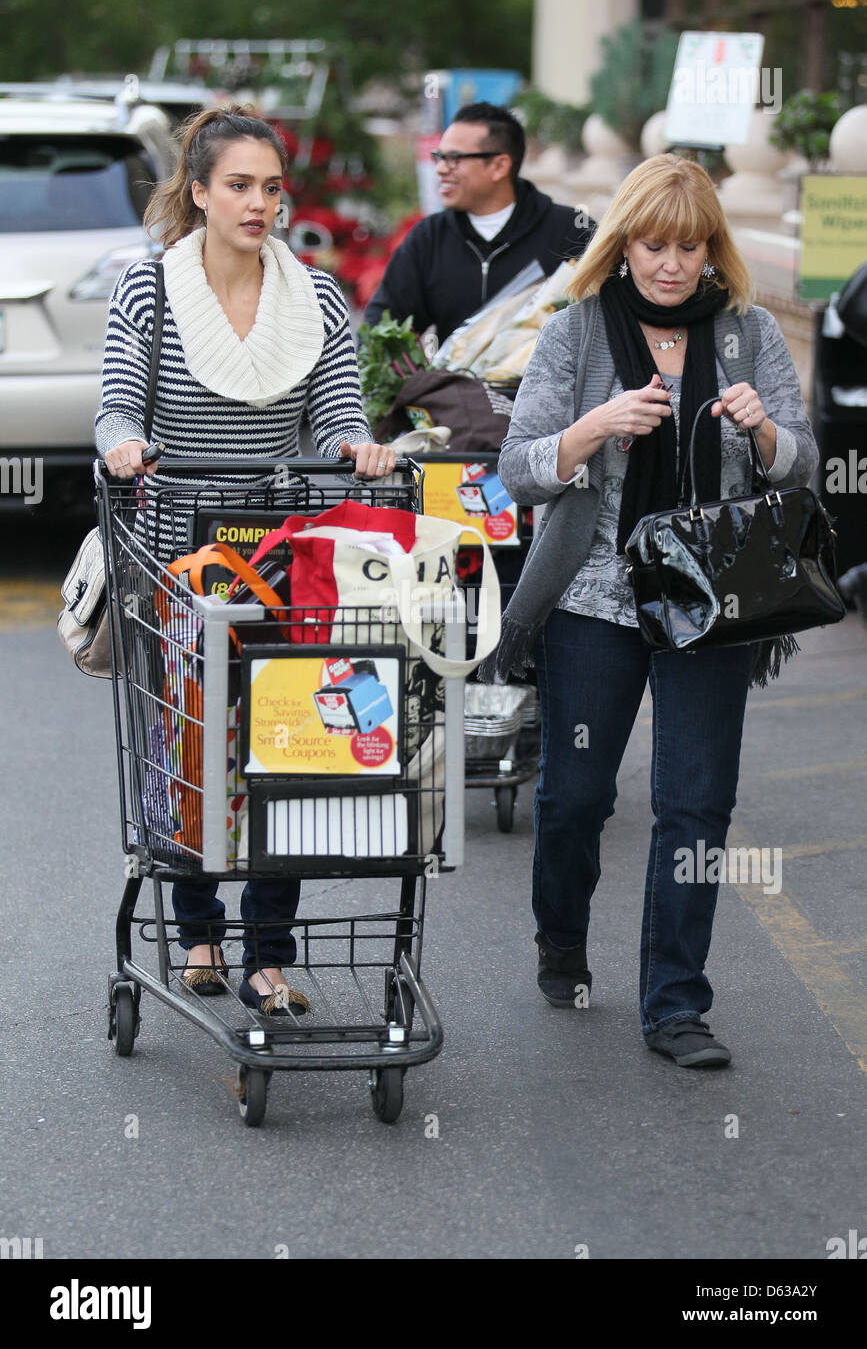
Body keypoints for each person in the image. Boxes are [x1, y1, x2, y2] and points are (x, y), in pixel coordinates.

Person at [492, 153, 818, 1068]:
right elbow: (519, 470)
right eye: (653, 244)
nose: (671, 264)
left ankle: (675, 1003)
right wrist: (596, 426)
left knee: (696, 806)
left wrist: (760, 427)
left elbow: (802, 462)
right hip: (596, 596)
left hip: (712, 600)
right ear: (623, 243)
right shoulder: (575, 333)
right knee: (573, 797)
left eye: (689, 246)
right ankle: (561, 935)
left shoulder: (747, 334)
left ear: (712, 248)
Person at [95, 105, 396, 1018]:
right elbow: (116, 405)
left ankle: (268, 953)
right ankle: (195, 933)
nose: (259, 203)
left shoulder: (320, 299)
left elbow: (340, 415)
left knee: (283, 749)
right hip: (177, 557)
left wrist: (360, 447)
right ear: (198, 192)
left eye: (272, 187)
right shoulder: (148, 290)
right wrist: (123, 445)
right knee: (190, 747)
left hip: (280, 557)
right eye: (239, 186)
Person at [364, 102, 595, 345]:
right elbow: (382, 326)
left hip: (546, 382)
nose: (441, 169)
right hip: (455, 382)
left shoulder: (572, 232)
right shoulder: (429, 238)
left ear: (499, 166)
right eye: (439, 157)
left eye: (453, 158)